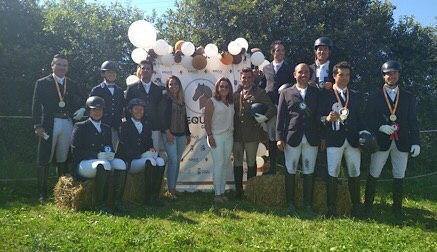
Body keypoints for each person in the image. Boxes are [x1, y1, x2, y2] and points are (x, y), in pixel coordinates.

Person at [362, 60, 420, 220]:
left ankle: (397, 209)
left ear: (398, 74)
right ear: (383, 76)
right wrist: (380, 127)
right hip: (381, 140)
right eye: (388, 73)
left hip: (402, 141)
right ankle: (367, 207)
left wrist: (416, 141)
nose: (391, 76)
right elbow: (368, 119)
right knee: (374, 172)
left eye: (394, 73)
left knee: (399, 174)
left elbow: (412, 121)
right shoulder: (374, 96)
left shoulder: (408, 97)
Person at [32, 54, 86, 202]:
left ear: (67, 68)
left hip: (67, 122)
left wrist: (82, 109)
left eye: (64, 65)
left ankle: (60, 192)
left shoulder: (72, 83)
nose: (62, 67)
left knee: (63, 157)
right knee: (44, 157)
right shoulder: (42, 83)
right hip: (49, 124)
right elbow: (36, 105)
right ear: (52, 66)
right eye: (59, 64)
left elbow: (84, 99)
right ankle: (41, 193)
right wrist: (38, 125)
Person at [317, 61, 366, 217]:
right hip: (333, 138)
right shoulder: (325, 95)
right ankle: (331, 208)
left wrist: (362, 135)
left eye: (347, 75)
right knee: (333, 171)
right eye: (341, 75)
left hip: (352, 139)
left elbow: (360, 118)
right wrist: (327, 118)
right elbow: (318, 117)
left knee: (354, 171)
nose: (344, 78)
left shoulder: (356, 95)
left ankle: (356, 207)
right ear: (334, 76)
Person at [276, 63, 320, 215]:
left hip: (311, 137)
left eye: (306, 72)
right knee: (290, 169)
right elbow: (280, 117)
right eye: (300, 72)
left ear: (310, 74)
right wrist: (279, 137)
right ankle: (290, 203)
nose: (303, 74)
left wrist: (322, 138)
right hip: (292, 136)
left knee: (309, 170)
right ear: (294, 75)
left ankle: (308, 204)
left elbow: (318, 115)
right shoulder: (286, 93)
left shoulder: (316, 92)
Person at [71, 96, 127, 213]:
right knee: (104, 164)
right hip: (84, 163)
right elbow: (76, 151)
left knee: (121, 164)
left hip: (102, 161)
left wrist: (111, 153)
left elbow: (109, 147)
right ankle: (99, 204)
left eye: (100, 109)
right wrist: (96, 155)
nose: (97, 112)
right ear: (89, 111)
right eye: (94, 109)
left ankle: (116, 201)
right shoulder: (80, 126)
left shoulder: (106, 128)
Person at [233, 68, 275, 198]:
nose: (246, 80)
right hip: (237, 133)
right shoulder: (236, 93)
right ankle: (238, 191)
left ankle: (250, 191)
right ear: (240, 79)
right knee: (237, 161)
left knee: (251, 162)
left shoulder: (260, 93)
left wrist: (265, 118)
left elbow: (271, 108)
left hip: (252, 132)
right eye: (244, 77)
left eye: (249, 77)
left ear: (253, 78)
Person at [117, 98, 166, 207]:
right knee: (150, 161)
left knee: (160, 161)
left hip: (144, 158)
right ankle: (147, 199)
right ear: (131, 110)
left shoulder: (147, 126)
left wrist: (152, 151)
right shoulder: (124, 126)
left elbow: (149, 144)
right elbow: (124, 148)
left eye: (141, 109)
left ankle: (155, 197)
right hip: (131, 161)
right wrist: (141, 155)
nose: (139, 111)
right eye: (136, 109)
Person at [260, 40, 294, 175]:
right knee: (272, 138)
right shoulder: (266, 68)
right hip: (270, 107)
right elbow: (263, 85)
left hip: (284, 107)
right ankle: (273, 168)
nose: (280, 53)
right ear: (272, 52)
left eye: (282, 50)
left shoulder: (290, 68)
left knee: (284, 137)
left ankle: (287, 168)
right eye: (278, 50)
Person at [204, 77, 235, 203]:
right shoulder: (212, 101)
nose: (224, 89)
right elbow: (207, 120)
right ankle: (217, 195)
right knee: (219, 164)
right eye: (221, 86)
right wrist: (210, 135)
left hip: (229, 136)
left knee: (225, 164)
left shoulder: (231, 102)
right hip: (216, 136)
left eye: (227, 87)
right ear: (217, 88)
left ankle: (222, 193)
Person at [161, 75, 191, 199]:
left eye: (176, 84)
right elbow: (161, 117)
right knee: (173, 161)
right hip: (169, 134)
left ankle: (173, 188)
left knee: (177, 162)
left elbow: (185, 117)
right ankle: (169, 191)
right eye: (171, 84)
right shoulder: (165, 99)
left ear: (179, 86)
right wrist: (167, 132)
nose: (173, 86)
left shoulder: (181, 100)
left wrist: (188, 134)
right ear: (167, 86)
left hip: (181, 135)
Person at [125, 60, 163, 151]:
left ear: (152, 71)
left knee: (153, 154)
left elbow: (160, 109)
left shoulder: (158, 89)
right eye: (143, 68)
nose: (145, 70)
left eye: (148, 68)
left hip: (154, 127)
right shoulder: (132, 88)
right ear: (140, 71)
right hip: (135, 127)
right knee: (135, 153)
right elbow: (127, 107)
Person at [89, 60, 125, 150]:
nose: (112, 74)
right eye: (109, 72)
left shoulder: (119, 90)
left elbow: (121, 107)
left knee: (114, 149)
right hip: (101, 124)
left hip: (116, 125)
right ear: (103, 74)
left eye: (114, 72)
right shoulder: (97, 90)